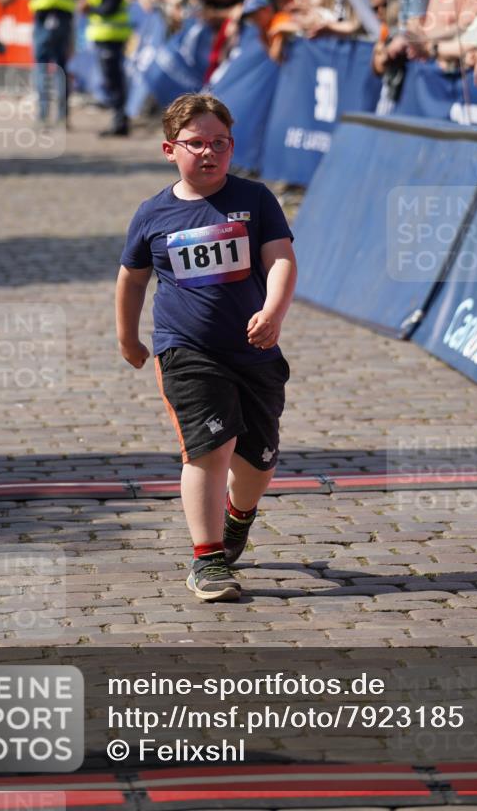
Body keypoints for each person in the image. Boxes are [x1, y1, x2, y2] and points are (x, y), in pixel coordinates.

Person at [116, 93, 297, 602]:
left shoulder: (256, 199)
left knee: (258, 464)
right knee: (209, 448)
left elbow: (281, 259)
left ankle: (239, 515)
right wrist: (128, 338)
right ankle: (208, 560)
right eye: (196, 144)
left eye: (220, 143)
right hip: (185, 348)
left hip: (255, 351)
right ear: (170, 149)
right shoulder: (153, 213)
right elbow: (132, 279)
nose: (209, 153)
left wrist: (274, 311)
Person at [81, 0, 131, 137]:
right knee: (111, 79)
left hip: (111, 35)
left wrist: (90, 9)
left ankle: (120, 122)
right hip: (106, 35)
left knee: (114, 79)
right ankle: (118, 120)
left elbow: (111, 5)